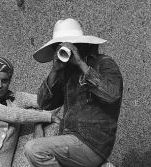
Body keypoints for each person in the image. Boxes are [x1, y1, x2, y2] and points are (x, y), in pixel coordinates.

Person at [24, 18, 123, 167]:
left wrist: (82, 64)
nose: (67, 49)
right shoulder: (67, 72)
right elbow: (44, 102)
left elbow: (112, 95)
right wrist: (55, 70)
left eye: (72, 44)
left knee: (35, 149)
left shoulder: (104, 63)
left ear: (83, 44)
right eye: (60, 46)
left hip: (93, 143)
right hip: (70, 140)